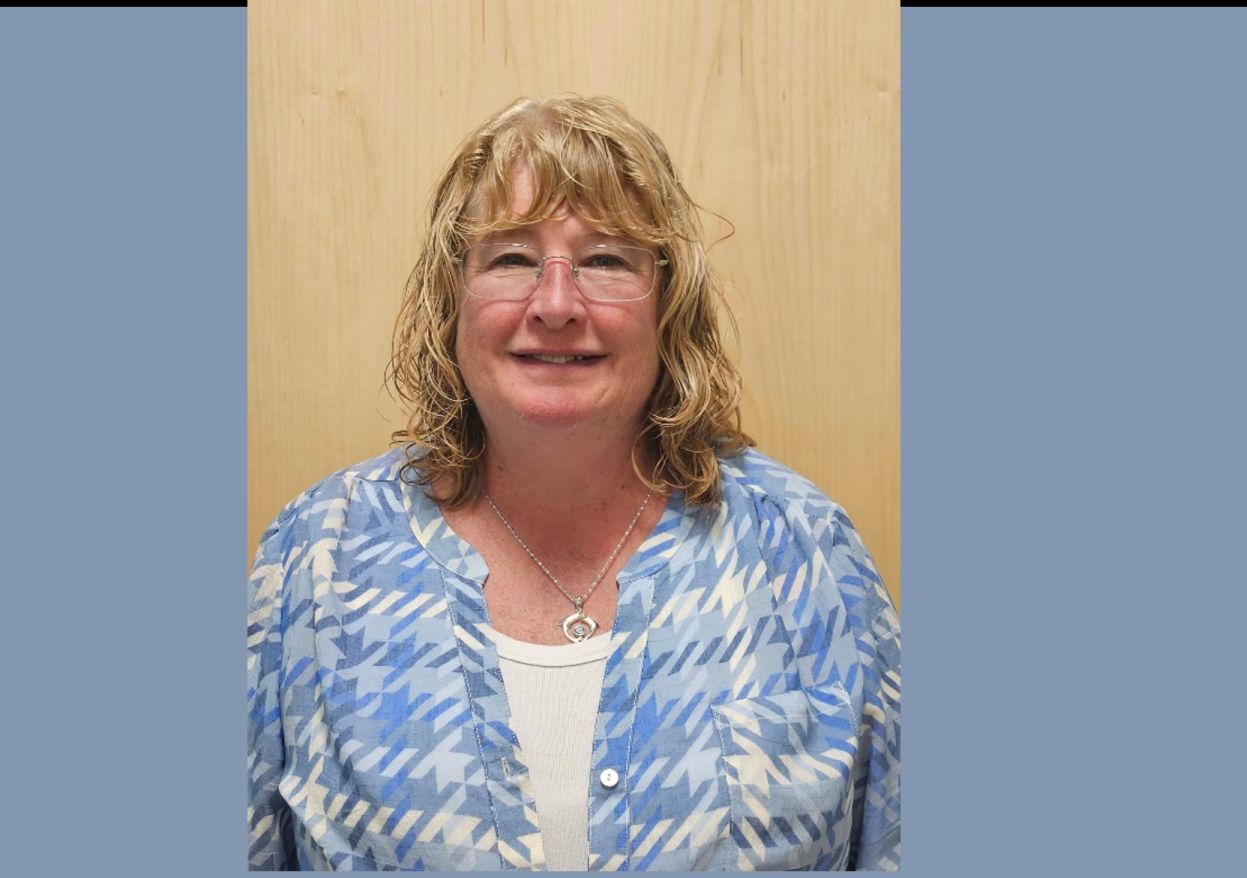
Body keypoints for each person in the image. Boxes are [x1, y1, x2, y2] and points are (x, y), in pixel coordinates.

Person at [247, 94, 900, 872]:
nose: (556, 305)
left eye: (605, 261)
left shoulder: (802, 552)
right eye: (512, 259)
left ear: (668, 302)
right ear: (451, 297)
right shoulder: (318, 559)